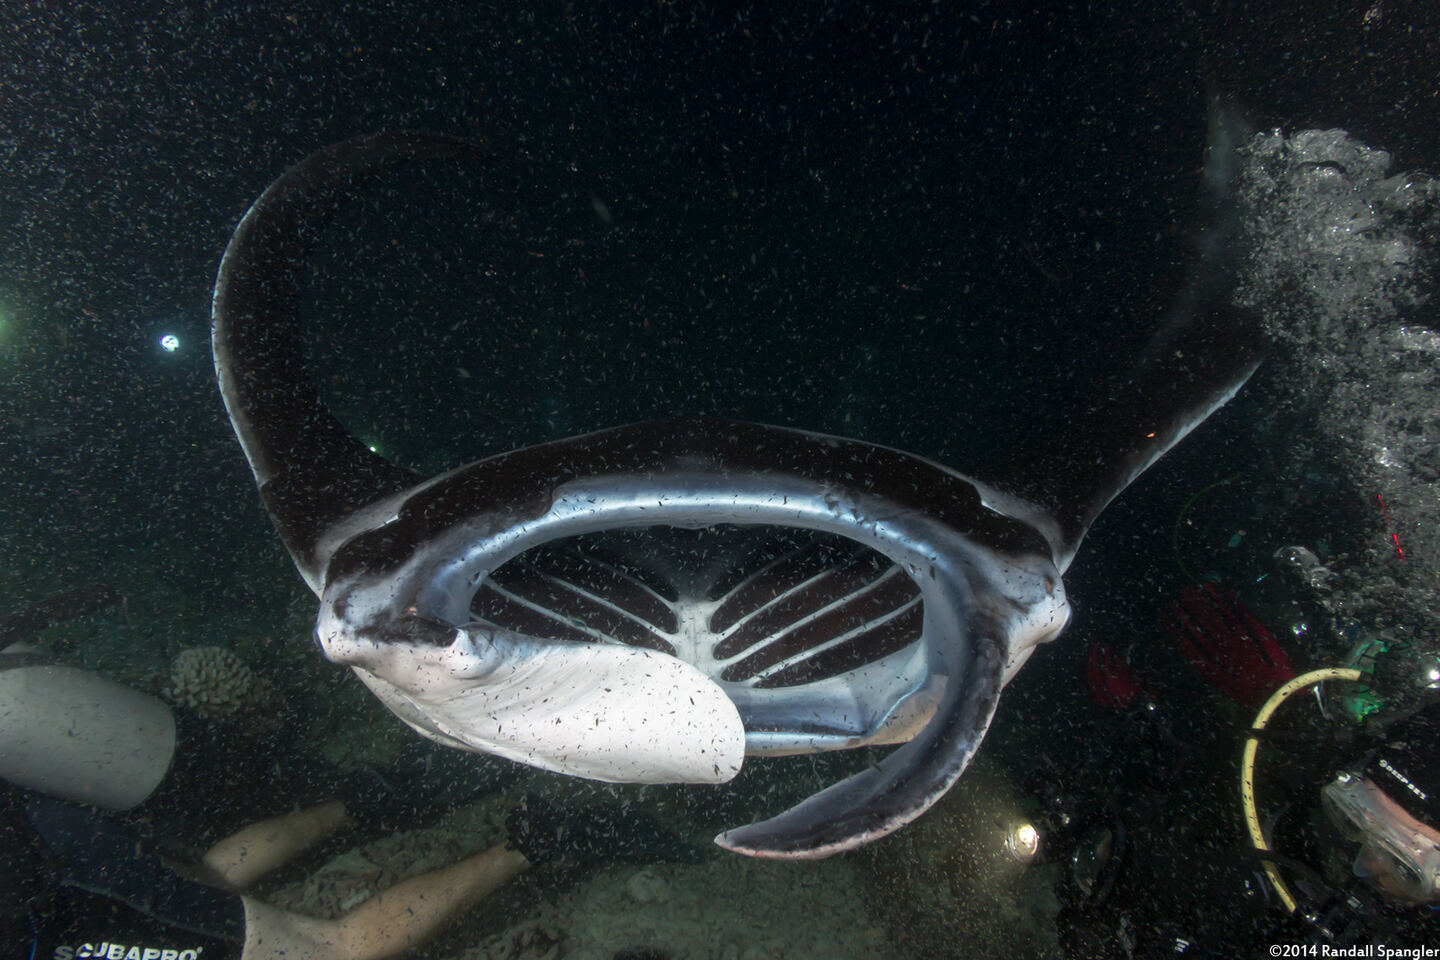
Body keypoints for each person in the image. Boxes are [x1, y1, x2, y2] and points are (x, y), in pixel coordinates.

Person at [0, 595, 697, 960]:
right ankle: (371, 799)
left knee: (329, 950)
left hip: (37, 894)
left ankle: (535, 840)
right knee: (188, 878)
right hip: (33, 838)